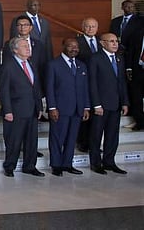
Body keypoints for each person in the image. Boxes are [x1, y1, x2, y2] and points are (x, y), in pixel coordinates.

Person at [0, 37, 44, 177]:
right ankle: (9, 166)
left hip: (32, 109)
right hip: (15, 110)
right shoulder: (8, 65)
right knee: (14, 141)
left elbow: (35, 87)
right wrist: (7, 110)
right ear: (15, 50)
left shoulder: (31, 63)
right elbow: (4, 90)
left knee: (32, 141)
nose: (28, 48)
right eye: (24, 46)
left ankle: (30, 166)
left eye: (28, 45)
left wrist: (39, 107)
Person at [46, 38, 89, 176]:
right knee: (57, 138)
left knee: (72, 138)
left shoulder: (81, 65)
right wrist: (52, 107)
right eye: (70, 46)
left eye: (76, 47)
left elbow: (85, 88)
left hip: (77, 109)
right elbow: (49, 88)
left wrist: (86, 107)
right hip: (60, 109)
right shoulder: (53, 64)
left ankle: (67, 164)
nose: (74, 49)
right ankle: (56, 165)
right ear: (63, 46)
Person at [87, 33, 129, 175]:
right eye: (111, 41)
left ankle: (109, 162)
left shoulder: (119, 58)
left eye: (116, 41)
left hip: (116, 104)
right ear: (102, 43)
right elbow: (92, 83)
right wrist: (96, 104)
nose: (115, 44)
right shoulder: (95, 58)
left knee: (112, 135)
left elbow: (122, 82)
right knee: (96, 135)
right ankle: (96, 163)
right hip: (101, 105)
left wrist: (124, 102)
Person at [75, 17, 100, 152]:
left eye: (93, 26)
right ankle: (82, 142)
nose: (90, 29)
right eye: (88, 26)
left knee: (96, 117)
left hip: (99, 83)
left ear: (97, 28)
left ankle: (94, 143)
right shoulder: (77, 42)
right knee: (84, 114)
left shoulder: (102, 41)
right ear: (83, 27)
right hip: (83, 82)